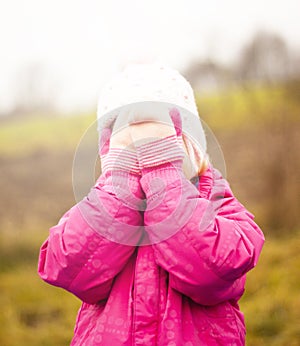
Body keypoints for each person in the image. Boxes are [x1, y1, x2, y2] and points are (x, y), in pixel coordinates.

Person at [38, 63, 265, 345]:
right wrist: (120, 185)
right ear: (109, 151)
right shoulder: (101, 201)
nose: (144, 153)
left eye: (161, 140)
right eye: (130, 142)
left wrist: (163, 177)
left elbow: (214, 271)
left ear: (190, 145)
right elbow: (67, 266)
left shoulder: (213, 196)